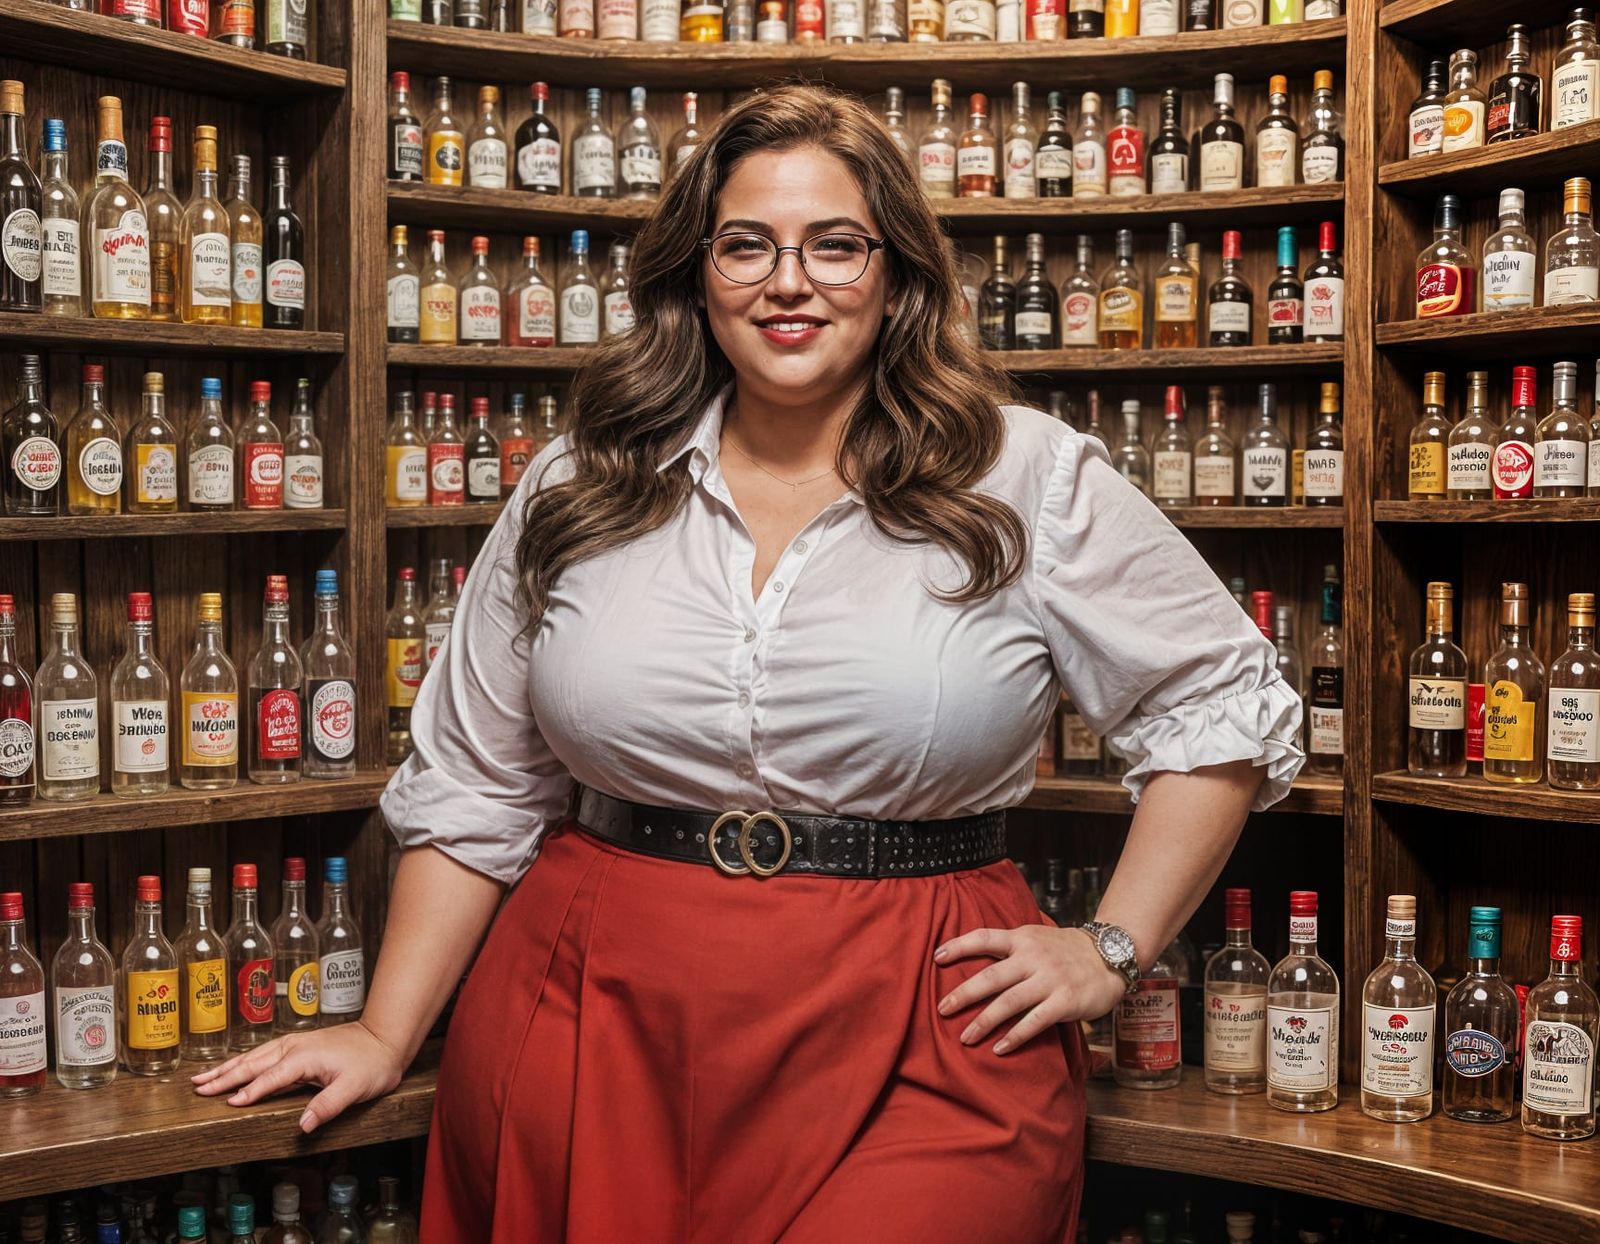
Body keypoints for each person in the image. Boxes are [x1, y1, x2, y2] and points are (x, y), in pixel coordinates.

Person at [193, 85, 1303, 1242]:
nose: (790, 280)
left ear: (896, 273)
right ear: (694, 272)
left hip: (925, 1008)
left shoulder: (1026, 475)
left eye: (836, 244)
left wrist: (1110, 946)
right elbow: (478, 779)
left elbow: (1218, 699)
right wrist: (384, 1030)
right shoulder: (584, 478)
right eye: (746, 245)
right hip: (594, 996)